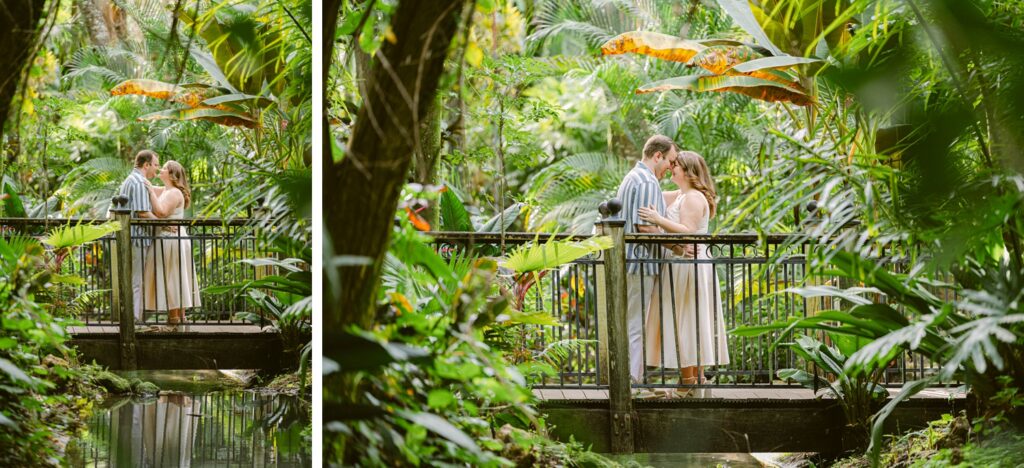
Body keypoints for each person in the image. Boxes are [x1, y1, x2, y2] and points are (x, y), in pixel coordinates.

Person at [639, 151, 731, 392]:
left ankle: (687, 382)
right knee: (689, 319)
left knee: (687, 320)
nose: (671, 168)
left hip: (689, 265)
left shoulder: (693, 198)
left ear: (688, 171)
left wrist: (657, 220)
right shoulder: (682, 194)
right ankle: (696, 378)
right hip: (684, 264)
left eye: (675, 165)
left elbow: (687, 231)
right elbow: (652, 192)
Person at [614, 135, 678, 384]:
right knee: (636, 324)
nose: (671, 167)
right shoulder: (648, 181)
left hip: (630, 261)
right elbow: (646, 228)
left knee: (631, 321)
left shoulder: (633, 178)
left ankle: (630, 378)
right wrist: (676, 246)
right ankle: (634, 382)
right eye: (670, 161)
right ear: (657, 156)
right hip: (642, 263)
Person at [143, 160, 201, 327]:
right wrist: (144, 181)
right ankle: (180, 318)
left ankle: (174, 320)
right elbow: (151, 189)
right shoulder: (167, 190)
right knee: (174, 276)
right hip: (169, 239)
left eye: (165, 168)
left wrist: (150, 190)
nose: (161, 169)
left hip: (172, 239)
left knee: (173, 277)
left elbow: (161, 211)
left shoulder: (174, 193)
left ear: (171, 175)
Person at [118, 150, 160, 323]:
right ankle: (135, 319)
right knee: (137, 279)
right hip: (138, 238)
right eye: (156, 165)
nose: (157, 169)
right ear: (146, 165)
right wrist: (164, 224)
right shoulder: (140, 182)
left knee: (132, 278)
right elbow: (143, 213)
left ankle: (132, 316)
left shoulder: (129, 180)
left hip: (129, 237)